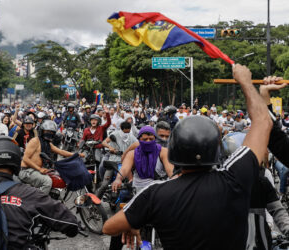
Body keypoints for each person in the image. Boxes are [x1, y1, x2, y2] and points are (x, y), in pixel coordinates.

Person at [103, 64, 273, 249]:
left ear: (174, 148)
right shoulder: (236, 177)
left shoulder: (155, 193)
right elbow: (263, 121)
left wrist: (133, 224)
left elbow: (109, 227)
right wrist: (246, 82)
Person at [19, 120, 82, 194]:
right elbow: (25, 158)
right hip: (27, 171)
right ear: (42, 131)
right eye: (47, 131)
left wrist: (76, 154)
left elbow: (61, 151)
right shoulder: (35, 141)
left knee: (58, 175)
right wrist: (39, 169)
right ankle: (39, 203)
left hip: (36, 171)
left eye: (51, 132)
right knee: (47, 181)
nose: (49, 134)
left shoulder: (47, 143)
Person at [112, 126, 174, 193]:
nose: (148, 141)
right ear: (139, 140)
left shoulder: (163, 152)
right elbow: (124, 169)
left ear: (155, 139)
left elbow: (171, 172)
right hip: (139, 191)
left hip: (159, 190)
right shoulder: (132, 154)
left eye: (151, 139)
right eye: (145, 139)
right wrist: (118, 179)